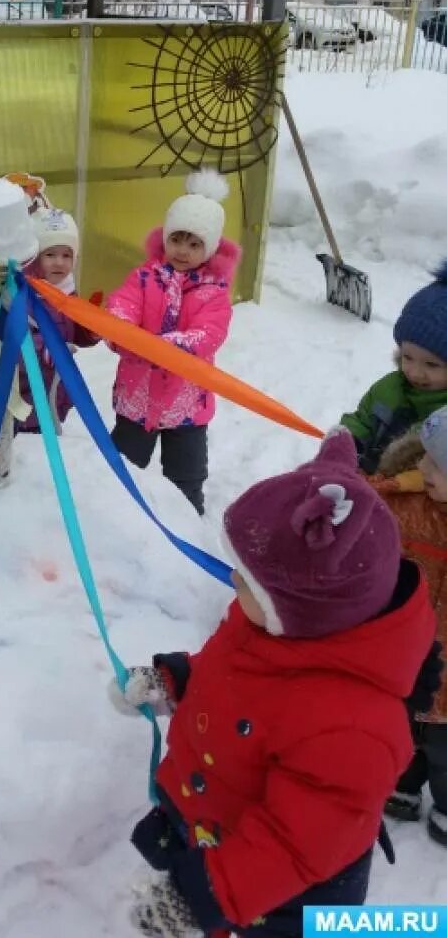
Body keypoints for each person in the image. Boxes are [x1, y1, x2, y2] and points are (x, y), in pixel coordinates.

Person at [111, 430, 438, 938]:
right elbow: (230, 679)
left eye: (245, 578)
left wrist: (202, 898)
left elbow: (295, 844)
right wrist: (172, 681)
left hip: (281, 897)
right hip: (212, 824)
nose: (232, 582)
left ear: (307, 606)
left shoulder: (352, 728)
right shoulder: (270, 624)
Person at [106, 170, 240, 514]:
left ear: (209, 249)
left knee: (186, 475)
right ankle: (114, 514)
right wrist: (121, 327)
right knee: (120, 467)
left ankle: (189, 524)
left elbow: (209, 333)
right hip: (138, 395)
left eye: (195, 244)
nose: (183, 250)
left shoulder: (215, 291)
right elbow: (124, 304)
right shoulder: (144, 276)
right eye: (177, 239)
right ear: (164, 238)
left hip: (187, 402)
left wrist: (170, 345)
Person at [369, 407, 447, 845]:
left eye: (437, 465)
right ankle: (403, 785)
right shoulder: (406, 506)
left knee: (445, 749)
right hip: (407, 655)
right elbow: (363, 512)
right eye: (425, 456)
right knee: (404, 729)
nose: (422, 468)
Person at [342, 262, 447, 475]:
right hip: (371, 483)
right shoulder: (390, 388)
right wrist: (347, 444)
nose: (415, 372)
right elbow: (361, 420)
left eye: (431, 364)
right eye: (407, 357)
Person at [15, 207, 98, 435]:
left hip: (55, 388)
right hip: (25, 393)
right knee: (28, 448)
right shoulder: (24, 293)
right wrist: (45, 348)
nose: (59, 263)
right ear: (34, 257)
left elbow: (75, 334)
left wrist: (90, 330)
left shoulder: (67, 291)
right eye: (50, 254)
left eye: (66, 255)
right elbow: (14, 340)